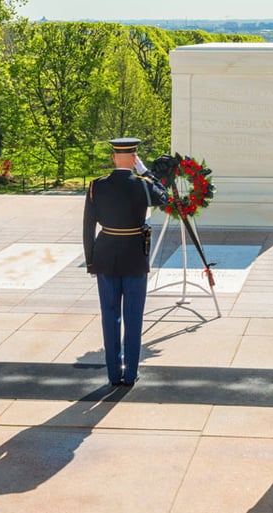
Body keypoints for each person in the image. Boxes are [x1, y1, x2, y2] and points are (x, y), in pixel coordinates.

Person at [83, 138, 168, 386]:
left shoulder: (96, 187)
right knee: (133, 316)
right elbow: (163, 196)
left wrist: (90, 262)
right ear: (134, 158)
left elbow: (88, 227)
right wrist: (145, 171)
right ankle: (130, 373)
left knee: (109, 316)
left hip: (105, 256)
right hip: (134, 257)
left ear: (113, 158)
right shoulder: (142, 185)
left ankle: (113, 374)